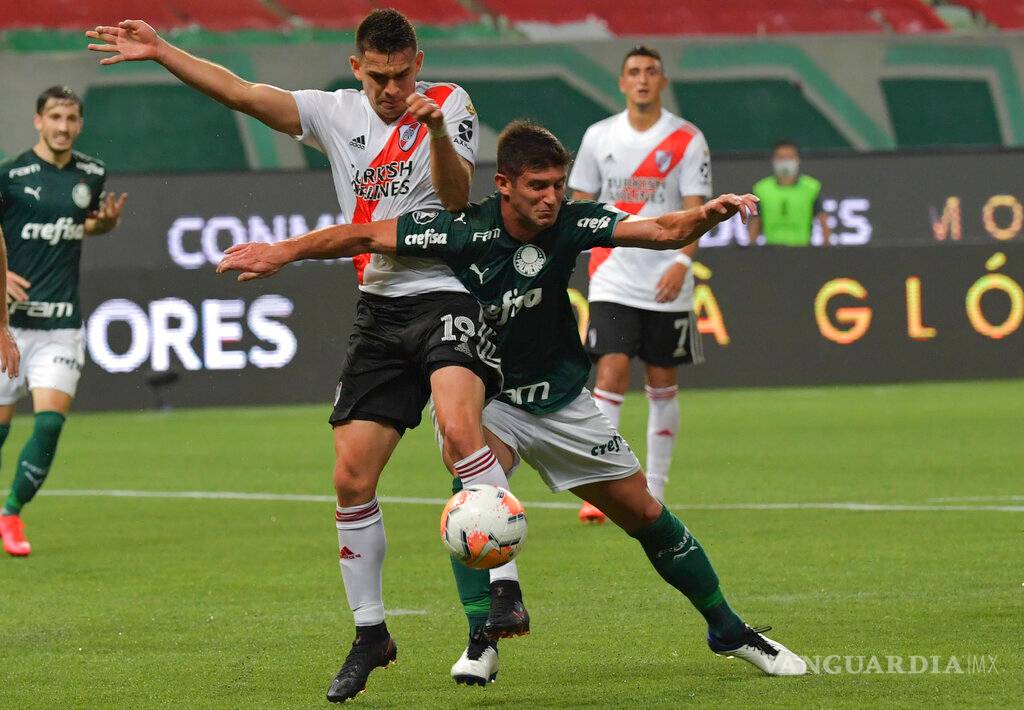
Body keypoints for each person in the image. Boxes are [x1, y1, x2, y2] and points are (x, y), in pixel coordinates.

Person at [218, 120, 808, 677]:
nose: (551, 198)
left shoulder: (571, 224)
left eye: (556, 185)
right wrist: (285, 250)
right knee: (466, 471)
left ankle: (728, 629)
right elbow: (367, 233)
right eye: (537, 187)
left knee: (645, 514)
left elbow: (657, 230)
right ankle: (483, 639)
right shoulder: (462, 230)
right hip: (493, 398)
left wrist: (705, 215)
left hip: (562, 399)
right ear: (503, 184)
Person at [87, 10, 527, 700]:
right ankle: (370, 632)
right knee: (351, 477)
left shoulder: (449, 104)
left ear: (420, 62)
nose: (390, 89)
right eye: (378, 77)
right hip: (381, 312)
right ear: (356, 69)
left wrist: (434, 127)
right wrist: (161, 49)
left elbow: (453, 197)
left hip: (447, 291)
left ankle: (503, 586)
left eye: (402, 74)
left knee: (459, 427)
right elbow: (239, 92)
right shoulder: (333, 112)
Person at [569, 45, 712, 522]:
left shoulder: (688, 139)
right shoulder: (598, 136)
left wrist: (683, 264)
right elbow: (579, 202)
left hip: (667, 279)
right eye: (634, 72)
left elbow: (698, 212)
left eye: (652, 71)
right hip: (613, 275)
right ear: (622, 83)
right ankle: (607, 491)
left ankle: (654, 490)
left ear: (663, 81)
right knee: (609, 372)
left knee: (661, 382)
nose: (643, 79)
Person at [0, 86, 127, 557]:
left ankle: (11, 513)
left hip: (61, 323)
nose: (63, 127)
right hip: (7, 325)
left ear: (80, 124)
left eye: (71, 118)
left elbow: (81, 222)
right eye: (55, 117)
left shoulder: (91, 173)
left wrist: (106, 226)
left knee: (50, 424)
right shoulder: (10, 175)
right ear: (38, 120)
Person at [748, 140, 831, 247]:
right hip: (771, 251)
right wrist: (751, 249)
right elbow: (755, 221)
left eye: (789, 158)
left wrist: (825, 251)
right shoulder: (761, 189)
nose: (785, 162)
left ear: (797, 160)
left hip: (802, 250)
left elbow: (823, 220)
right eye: (781, 158)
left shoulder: (811, 188)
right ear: (773, 160)